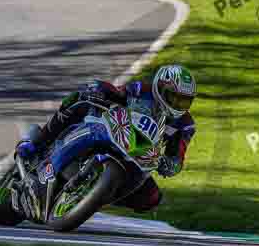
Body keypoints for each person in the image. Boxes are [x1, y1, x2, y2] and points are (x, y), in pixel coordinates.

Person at [15, 64, 197, 213]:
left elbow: (178, 157)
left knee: (151, 198)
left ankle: (93, 198)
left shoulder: (185, 124)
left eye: (183, 100)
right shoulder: (142, 90)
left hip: (139, 156)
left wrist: (170, 165)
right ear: (160, 88)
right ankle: (38, 141)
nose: (177, 104)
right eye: (173, 97)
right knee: (80, 100)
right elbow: (118, 92)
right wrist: (99, 90)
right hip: (117, 130)